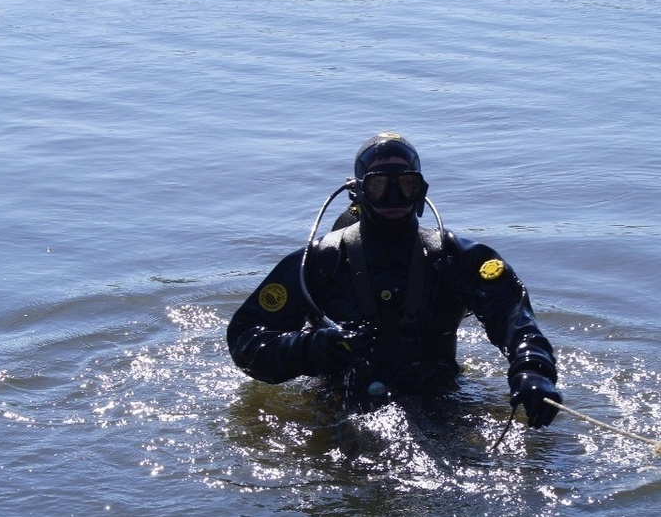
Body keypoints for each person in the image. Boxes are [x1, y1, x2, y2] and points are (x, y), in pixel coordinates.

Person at [226, 133, 561, 428]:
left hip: (440, 402)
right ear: (359, 191)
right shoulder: (318, 262)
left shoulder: (457, 259)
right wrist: (310, 348)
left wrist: (533, 370)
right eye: (379, 185)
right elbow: (245, 338)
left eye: (406, 185)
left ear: (421, 191)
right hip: (338, 409)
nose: (393, 198)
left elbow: (516, 320)